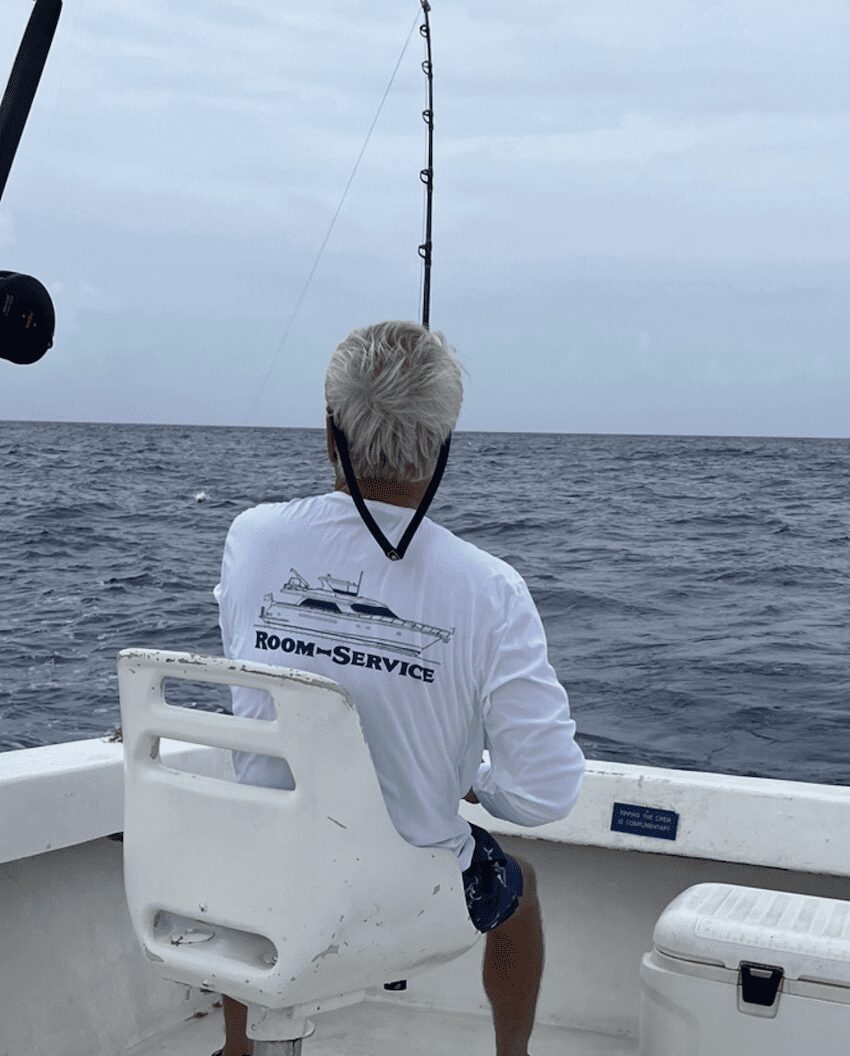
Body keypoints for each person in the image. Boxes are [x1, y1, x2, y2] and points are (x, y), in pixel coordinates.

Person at [213, 320, 586, 1056]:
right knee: (522, 887)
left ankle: (238, 1048)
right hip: (397, 900)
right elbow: (546, 795)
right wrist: (483, 788)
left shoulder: (252, 538)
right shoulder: (492, 591)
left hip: (260, 884)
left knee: (257, 833)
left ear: (331, 434)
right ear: (442, 445)